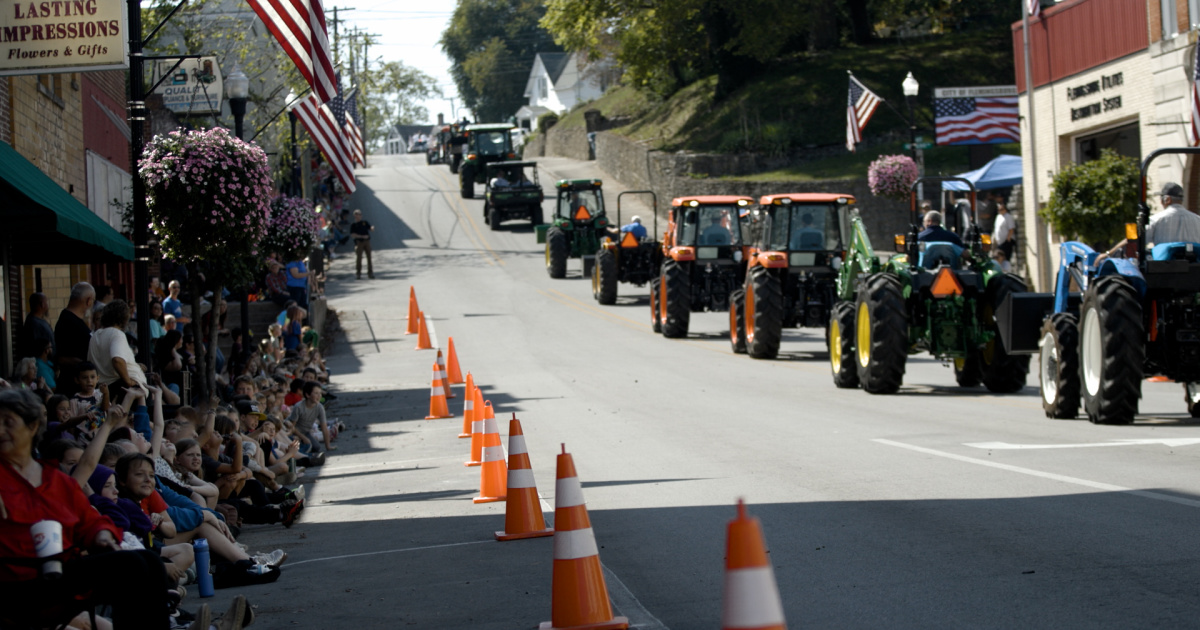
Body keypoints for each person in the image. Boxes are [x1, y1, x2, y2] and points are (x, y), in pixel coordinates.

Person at [0, 389, 182, 630]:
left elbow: (89, 521)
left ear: (32, 427)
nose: (1, 430)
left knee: (150, 561)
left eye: (8, 423)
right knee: (131, 566)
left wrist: (102, 535)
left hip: (62, 573)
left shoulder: (55, 479)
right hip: (18, 580)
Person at [1101, 182, 1200, 259]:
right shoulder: (1197, 219)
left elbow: (1134, 241)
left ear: (1167, 200)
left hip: (1164, 271)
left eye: (1161, 198)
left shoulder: (1156, 219)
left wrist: (1108, 254)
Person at [87, 300, 148, 403]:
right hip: (123, 390)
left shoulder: (96, 335)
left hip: (105, 388)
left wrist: (135, 366)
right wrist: (128, 381)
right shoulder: (117, 334)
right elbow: (117, 360)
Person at [54, 282, 95, 393]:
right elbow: (62, 358)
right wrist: (87, 365)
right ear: (88, 300)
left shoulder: (74, 321)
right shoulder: (67, 322)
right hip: (72, 388)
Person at [17, 292, 55, 361]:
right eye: (46, 302)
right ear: (42, 304)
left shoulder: (40, 321)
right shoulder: (33, 324)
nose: (48, 305)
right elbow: (37, 349)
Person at [350, 209, 375, 280]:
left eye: (359, 215)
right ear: (355, 216)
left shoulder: (364, 222)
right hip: (359, 242)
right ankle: (358, 273)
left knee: (369, 257)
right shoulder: (354, 225)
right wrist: (361, 236)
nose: (358, 216)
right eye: (357, 215)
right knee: (359, 258)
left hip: (367, 242)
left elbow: (370, 228)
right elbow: (352, 234)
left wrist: (372, 228)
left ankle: (370, 273)